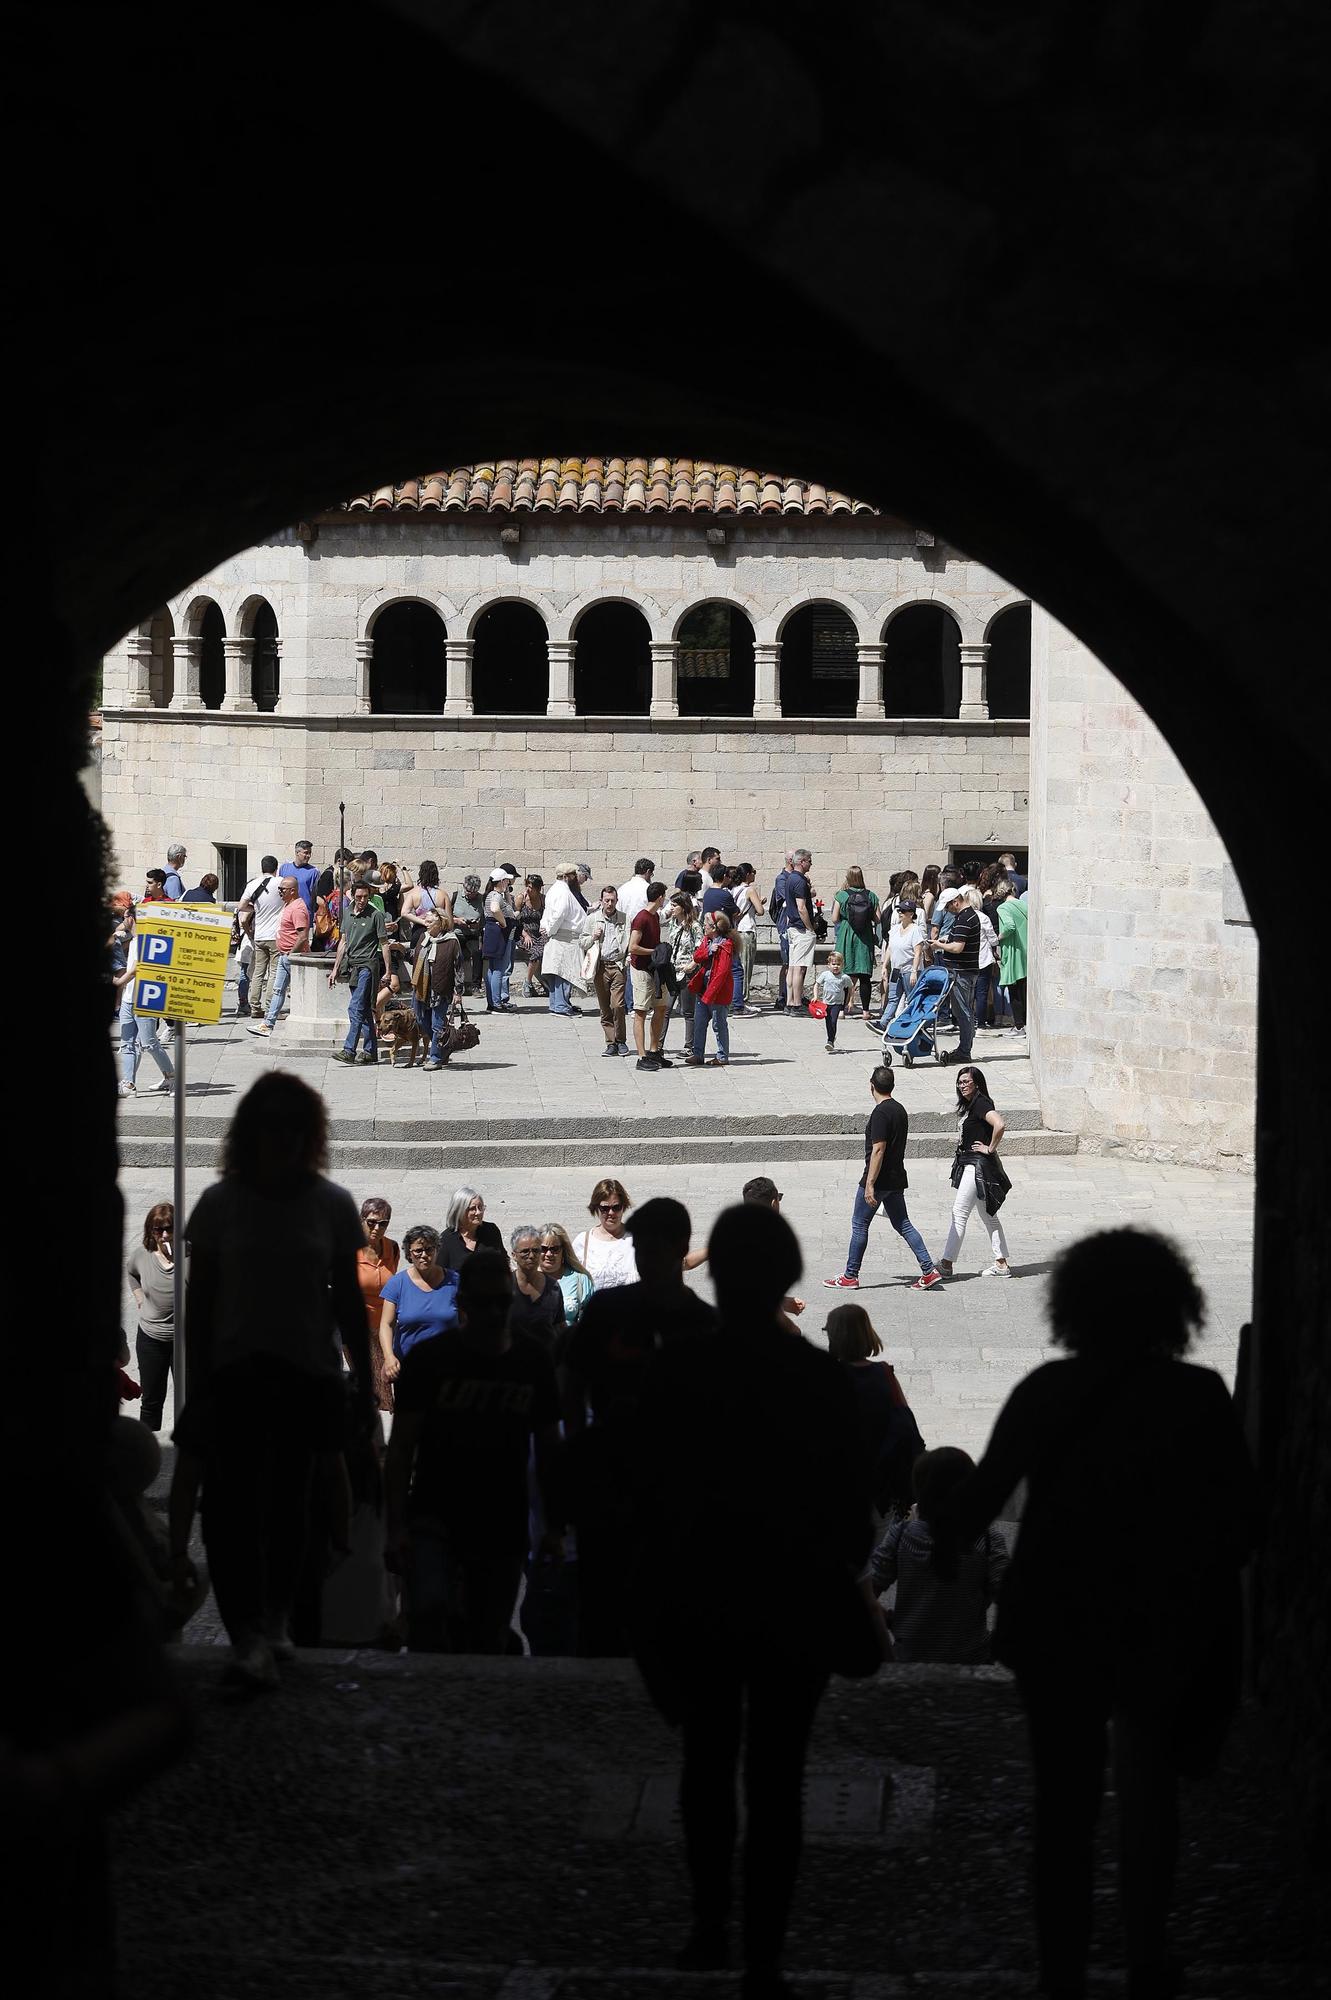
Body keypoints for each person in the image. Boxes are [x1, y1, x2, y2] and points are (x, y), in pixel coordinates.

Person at [938, 1229, 1257, 2000]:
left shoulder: (1045, 1392)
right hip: (1161, 1614)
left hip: (1057, 1618)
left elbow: (977, 1502)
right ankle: (1146, 1955)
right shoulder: (1198, 1395)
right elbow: (1242, 1522)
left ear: (1071, 1303)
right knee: (1149, 1792)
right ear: (1170, 1307)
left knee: (1063, 1803)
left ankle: (1061, 1972)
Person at [629, 1203, 876, 1990]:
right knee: (777, 1780)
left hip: (702, 1601)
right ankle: (763, 1950)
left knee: (706, 1766)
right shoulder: (817, 1379)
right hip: (793, 1606)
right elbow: (852, 1516)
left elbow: (646, 1502)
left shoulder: (676, 1372)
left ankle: (709, 1925)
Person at [177, 1073, 374, 1689]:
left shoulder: (333, 1205)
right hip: (235, 1376)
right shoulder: (219, 1205)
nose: (283, 1143)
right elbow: (199, 1305)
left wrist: (365, 1387)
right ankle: (245, 1637)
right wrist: (197, 1387)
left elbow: (347, 1307)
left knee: (294, 1507)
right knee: (230, 1511)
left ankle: (278, 1620)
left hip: (306, 1374)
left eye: (294, 1131)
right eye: (272, 1130)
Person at [385, 1250, 564, 1653]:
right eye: (483, 1303)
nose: (495, 1313)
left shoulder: (532, 1360)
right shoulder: (431, 1360)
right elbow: (401, 1449)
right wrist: (395, 1526)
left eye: (502, 1302)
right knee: (428, 1613)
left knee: (489, 1627)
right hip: (436, 1512)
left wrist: (554, 1525)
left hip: (503, 1517)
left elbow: (551, 1449)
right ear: (463, 1306)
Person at [562, 1198, 717, 1656]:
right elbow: (571, 1386)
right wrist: (578, 1451)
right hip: (608, 1485)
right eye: (643, 1250)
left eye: (658, 1250)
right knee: (601, 1619)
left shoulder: (704, 1326)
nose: (648, 1260)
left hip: (676, 1495)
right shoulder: (607, 1311)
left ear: (682, 1248)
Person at [870, 1447, 1008, 1663]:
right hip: (970, 1662)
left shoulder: (901, 1535)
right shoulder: (988, 1541)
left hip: (910, 1660)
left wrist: (890, 1620)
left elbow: (867, 1594)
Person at [824, 1066, 942, 1291]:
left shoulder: (880, 1113)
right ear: (892, 1086)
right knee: (903, 1224)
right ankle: (929, 1270)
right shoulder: (899, 1109)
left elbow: (878, 1149)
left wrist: (869, 1183)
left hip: (879, 1180)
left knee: (860, 1224)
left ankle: (850, 1275)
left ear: (871, 1086)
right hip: (896, 1178)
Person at [825, 1303, 926, 1522]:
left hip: (843, 1477)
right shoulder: (884, 1373)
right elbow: (905, 1418)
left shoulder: (828, 1379)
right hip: (884, 1477)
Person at [937, 1065, 1012, 1278]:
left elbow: (1000, 1124)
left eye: (966, 1082)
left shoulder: (980, 1103)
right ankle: (1001, 1264)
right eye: (960, 1082)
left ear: (976, 1083)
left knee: (959, 1213)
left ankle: (946, 1264)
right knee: (989, 1215)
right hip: (975, 1165)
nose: (962, 1086)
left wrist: (990, 1148)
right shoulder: (972, 1104)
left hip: (977, 1166)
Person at [377, 1225, 461, 1390]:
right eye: (418, 1251)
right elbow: (386, 1324)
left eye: (429, 1249)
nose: (424, 1255)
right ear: (409, 1253)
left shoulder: (455, 1281)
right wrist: (388, 1357)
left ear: (437, 1250)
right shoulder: (397, 1284)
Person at [328, 874, 391, 1066]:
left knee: (354, 1008)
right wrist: (335, 969)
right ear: (353, 896)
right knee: (362, 1011)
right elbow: (343, 942)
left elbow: (384, 944)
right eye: (358, 897)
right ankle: (371, 1051)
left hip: (368, 967)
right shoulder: (347, 913)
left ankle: (349, 1050)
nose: (362, 900)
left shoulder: (376, 915)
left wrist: (387, 971)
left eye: (365, 897)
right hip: (352, 966)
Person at [113, 906, 175, 1098]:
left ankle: (173, 1077)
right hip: (128, 999)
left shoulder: (148, 942)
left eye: (124, 917)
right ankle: (128, 1084)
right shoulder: (133, 941)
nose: (123, 921)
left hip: (145, 999)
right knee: (127, 1043)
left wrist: (118, 984)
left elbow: (135, 970)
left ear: (132, 919)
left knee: (149, 1043)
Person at [126, 1202, 177, 1433]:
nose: (164, 1234)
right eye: (158, 1230)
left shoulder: (189, 1255)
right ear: (150, 1231)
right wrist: (138, 1296)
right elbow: (131, 1272)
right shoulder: (142, 1255)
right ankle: (148, 1455)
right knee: (152, 1401)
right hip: (151, 1339)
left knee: (190, 1398)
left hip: (184, 1340)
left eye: (169, 1228)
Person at [246, 875, 308, 1038]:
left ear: (292, 891)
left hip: (292, 956)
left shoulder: (297, 908)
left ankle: (300, 1023)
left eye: (282, 889)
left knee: (298, 991)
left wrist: (291, 953)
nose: (279, 892)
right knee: (278, 989)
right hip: (284, 955)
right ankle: (268, 1024)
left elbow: (303, 936)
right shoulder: (288, 904)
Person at [355, 1197, 399, 1415]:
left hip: (385, 1326)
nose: (376, 1228)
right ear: (361, 1220)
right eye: (371, 1222)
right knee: (367, 1389)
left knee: (386, 1386)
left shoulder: (392, 1248)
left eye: (383, 1223)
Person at [934, 881, 981, 1064]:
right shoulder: (966, 917)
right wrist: (948, 939)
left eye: (947, 906)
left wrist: (939, 944)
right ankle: (964, 1049)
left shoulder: (964, 918)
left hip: (962, 972)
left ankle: (964, 1051)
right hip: (963, 971)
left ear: (956, 901)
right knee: (963, 1011)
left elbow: (958, 947)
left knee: (963, 1012)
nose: (947, 910)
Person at [629, 879, 672, 1070]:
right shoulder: (642, 918)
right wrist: (654, 951)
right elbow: (633, 947)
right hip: (641, 971)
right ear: (660, 897)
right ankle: (641, 1056)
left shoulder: (655, 916)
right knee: (641, 1012)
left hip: (655, 969)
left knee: (661, 1008)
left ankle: (655, 1051)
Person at [237, 855, 286, 1020]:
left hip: (259, 934)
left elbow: (241, 906)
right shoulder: (281, 882)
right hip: (275, 934)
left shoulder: (252, 884)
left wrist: (256, 908)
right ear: (276, 868)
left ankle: (255, 1007)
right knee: (273, 973)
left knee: (258, 972)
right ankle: (270, 1007)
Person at [582, 883, 629, 1056]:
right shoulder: (593, 919)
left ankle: (621, 1040)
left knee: (617, 1005)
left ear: (617, 900)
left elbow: (629, 942)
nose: (610, 904)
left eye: (613, 900)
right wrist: (593, 937)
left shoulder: (624, 918)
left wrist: (627, 960)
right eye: (606, 900)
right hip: (600, 966)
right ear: (601, 901)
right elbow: (582, 941)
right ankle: (611, 1043)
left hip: (617, 966)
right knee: (605, 1007)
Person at [416, 904, 461, 1072]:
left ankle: (435, 1058)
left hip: (441, 989)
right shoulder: (424, 938)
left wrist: (458, 991)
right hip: (422, 988)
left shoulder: (451, 941)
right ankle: (444, 1047)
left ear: (440, 924)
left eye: (430, 922)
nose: (426, 924)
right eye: (425, 921)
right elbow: (415, 956)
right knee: (422, 1021)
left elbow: (458, 967)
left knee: (437, 1025)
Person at [539, 862, 588, 1018]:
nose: (576, 878)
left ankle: (557, 1003)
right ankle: (560, 1006)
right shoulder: (563, 892)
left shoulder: (556, 889)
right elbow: (559, 913)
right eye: (574, 875)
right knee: (564, 973)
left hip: (559, 936)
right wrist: (550, 930)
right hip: (565, 938)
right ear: (567, 877)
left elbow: (548, 913)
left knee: (557, 971)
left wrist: (545, 927)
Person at [688, 910, 735, 1067]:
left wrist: (710, 995)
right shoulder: (707, 941)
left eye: (706, 925)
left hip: (717, 994)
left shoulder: (726, 945)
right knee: (699, 1023)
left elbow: (721, 973)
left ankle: (722, 1056)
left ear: (714, 927)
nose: (704, 927)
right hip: (703, 990)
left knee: (719, 1024)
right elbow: (697, 957)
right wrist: (708, 951)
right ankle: (697, 1054)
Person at [571, 1178, 639, 1288]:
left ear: (623, 1207)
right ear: (596, 1208)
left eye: (616, 1207)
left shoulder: (638, 1239)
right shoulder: (583, 1241)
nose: (611, 1213)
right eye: (605, 1208)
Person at [508, 1224, 565, 1349]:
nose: (531, 1256)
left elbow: (559, 1327)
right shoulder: (505, 1286)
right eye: (525, 1251)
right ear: (514, 1255)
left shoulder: (553, 1288)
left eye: (536, 1250)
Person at [873, 896, 925, 1031]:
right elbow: (890, 948)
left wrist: (914, 971)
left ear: (911, 914)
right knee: (893, 998)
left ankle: (914, 1024)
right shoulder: (895, 929)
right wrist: (884, 966)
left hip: (909, 971)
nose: (900, 913)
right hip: (896, 969)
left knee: (912, 999)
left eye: (904, 911)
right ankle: (883, 1023)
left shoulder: (915, 930)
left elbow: (918, 953)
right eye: (899, 910)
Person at [832, 865, 879, 1013]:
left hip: (846, 934)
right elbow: (877, 918)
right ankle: (866, 1011)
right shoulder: (871, 896)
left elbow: (834, 918)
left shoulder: (842, 895)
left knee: (845, 973)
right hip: (864, 936)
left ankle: (841, 1010)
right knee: (864, 975)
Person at [537, 1222, 594, 1327]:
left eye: (554, 1249)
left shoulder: (581, 1281)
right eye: (544, 1249)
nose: (549, 1254)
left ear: (563, 1250)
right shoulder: (527, 1280)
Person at [666, 890, 703, 1046]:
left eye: (674, 905)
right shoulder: (672, 924)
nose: (671, 908)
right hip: (672, 972)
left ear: (683, 906)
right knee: (665, 1010)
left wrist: (692, 965)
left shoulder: (694, 926)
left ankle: (689, 1045)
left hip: (687, 972)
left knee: (688, 1012)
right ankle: (658, 1046)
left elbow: (700, 949)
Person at [783, 846, 816, 1013]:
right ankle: (796, 1004)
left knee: (793, 965)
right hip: (801, 929)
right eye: (809, 861)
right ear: (802, 862)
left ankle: (789, 1002)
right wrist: (810, 928)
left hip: (792, 928)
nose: (811, 864)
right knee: (800, 968)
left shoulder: (790, 879)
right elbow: (801, 907)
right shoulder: (799, 881)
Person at [439, 1186, 505, 1270]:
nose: (478, 1212)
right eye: (473, 1209)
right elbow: (439, 1273)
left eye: (480, 1207)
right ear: (459, 1211)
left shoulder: (491, 1231)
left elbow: (504, 1259)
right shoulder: (446, 1240)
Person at [996, 876, 1029, 1039]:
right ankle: (1024, 1023)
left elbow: (1009, 926)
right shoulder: (1023, 904)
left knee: (1014, 990)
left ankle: (1018, 1026)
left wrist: (998, 937)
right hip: (1026, 950)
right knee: (1023, 990)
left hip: (1013, 951)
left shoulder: (1003, 908)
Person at [482, 867, 518, 1010]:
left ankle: (492, 1002)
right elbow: (495, 909)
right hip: (500, 934)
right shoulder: (496, 895)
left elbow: (507, 906)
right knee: (498, 969)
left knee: (492, 969)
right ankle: (496, 1003)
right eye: (506, 881)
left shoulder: (494, 894)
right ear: (502, 881)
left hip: (493, 933)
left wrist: (507, 891)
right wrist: (503, 922)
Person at [451, 872, 485, 995]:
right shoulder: (456, 896)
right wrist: (457, 920)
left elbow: (484, 919)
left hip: (473, 933)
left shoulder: (481, 899)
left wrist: (478, 924)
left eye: (474, 893)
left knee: (477, 953)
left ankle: (476, 986)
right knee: (454, 954)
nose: (471, 895)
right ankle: (455, 985)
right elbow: (447, 916)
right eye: (468, 892)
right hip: (457, 932)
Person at [516, 871, 548, 998]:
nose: (528, 889)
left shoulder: (543, 899)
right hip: (524, 933)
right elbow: (515, 920)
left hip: (539, 933)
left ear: (538, 888)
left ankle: (545, 983)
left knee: (546, 947)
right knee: (537, 952)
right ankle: (528, 982)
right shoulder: (521, 898)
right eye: (527, 886)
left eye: (532, 887)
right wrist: (525, 934)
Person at [769, 849, 794, 1009]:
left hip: (794, 925)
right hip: (786, 925)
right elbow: (785, 899)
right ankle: (783, 996)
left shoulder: (795, 878)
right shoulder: (782, 879)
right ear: (791, 860)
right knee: (787, 962)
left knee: (794, 963)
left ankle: (792, 994)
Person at [817, 949, 853, 1052]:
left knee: (833, 1021)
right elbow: (817, 984)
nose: (836, 966)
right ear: (829, 965)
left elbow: (851, 988)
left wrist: (850, 1001)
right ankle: (831, 1037)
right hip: (826, 1003)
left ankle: (830, 1041)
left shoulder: (844, 977)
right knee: (828, 1022)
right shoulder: (825, 975)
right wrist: (816, 996)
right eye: (833, 964)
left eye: (838, 964)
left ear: (842, 965)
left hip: (837, 1003)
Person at [278, 839, 319, 922]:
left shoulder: (314, 872)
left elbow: (315, 895)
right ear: (297, 853)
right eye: (306, 853)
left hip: (304, 915)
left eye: (310, 853)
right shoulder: (284, 868)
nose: (308, 856)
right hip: (286, 914)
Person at [617, 855, 655, 925]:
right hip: (642, 931)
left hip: (622, 931)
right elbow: (654, 913)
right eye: (651, 874)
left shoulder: (621, 889)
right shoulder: (649, 889)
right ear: (648, 871)